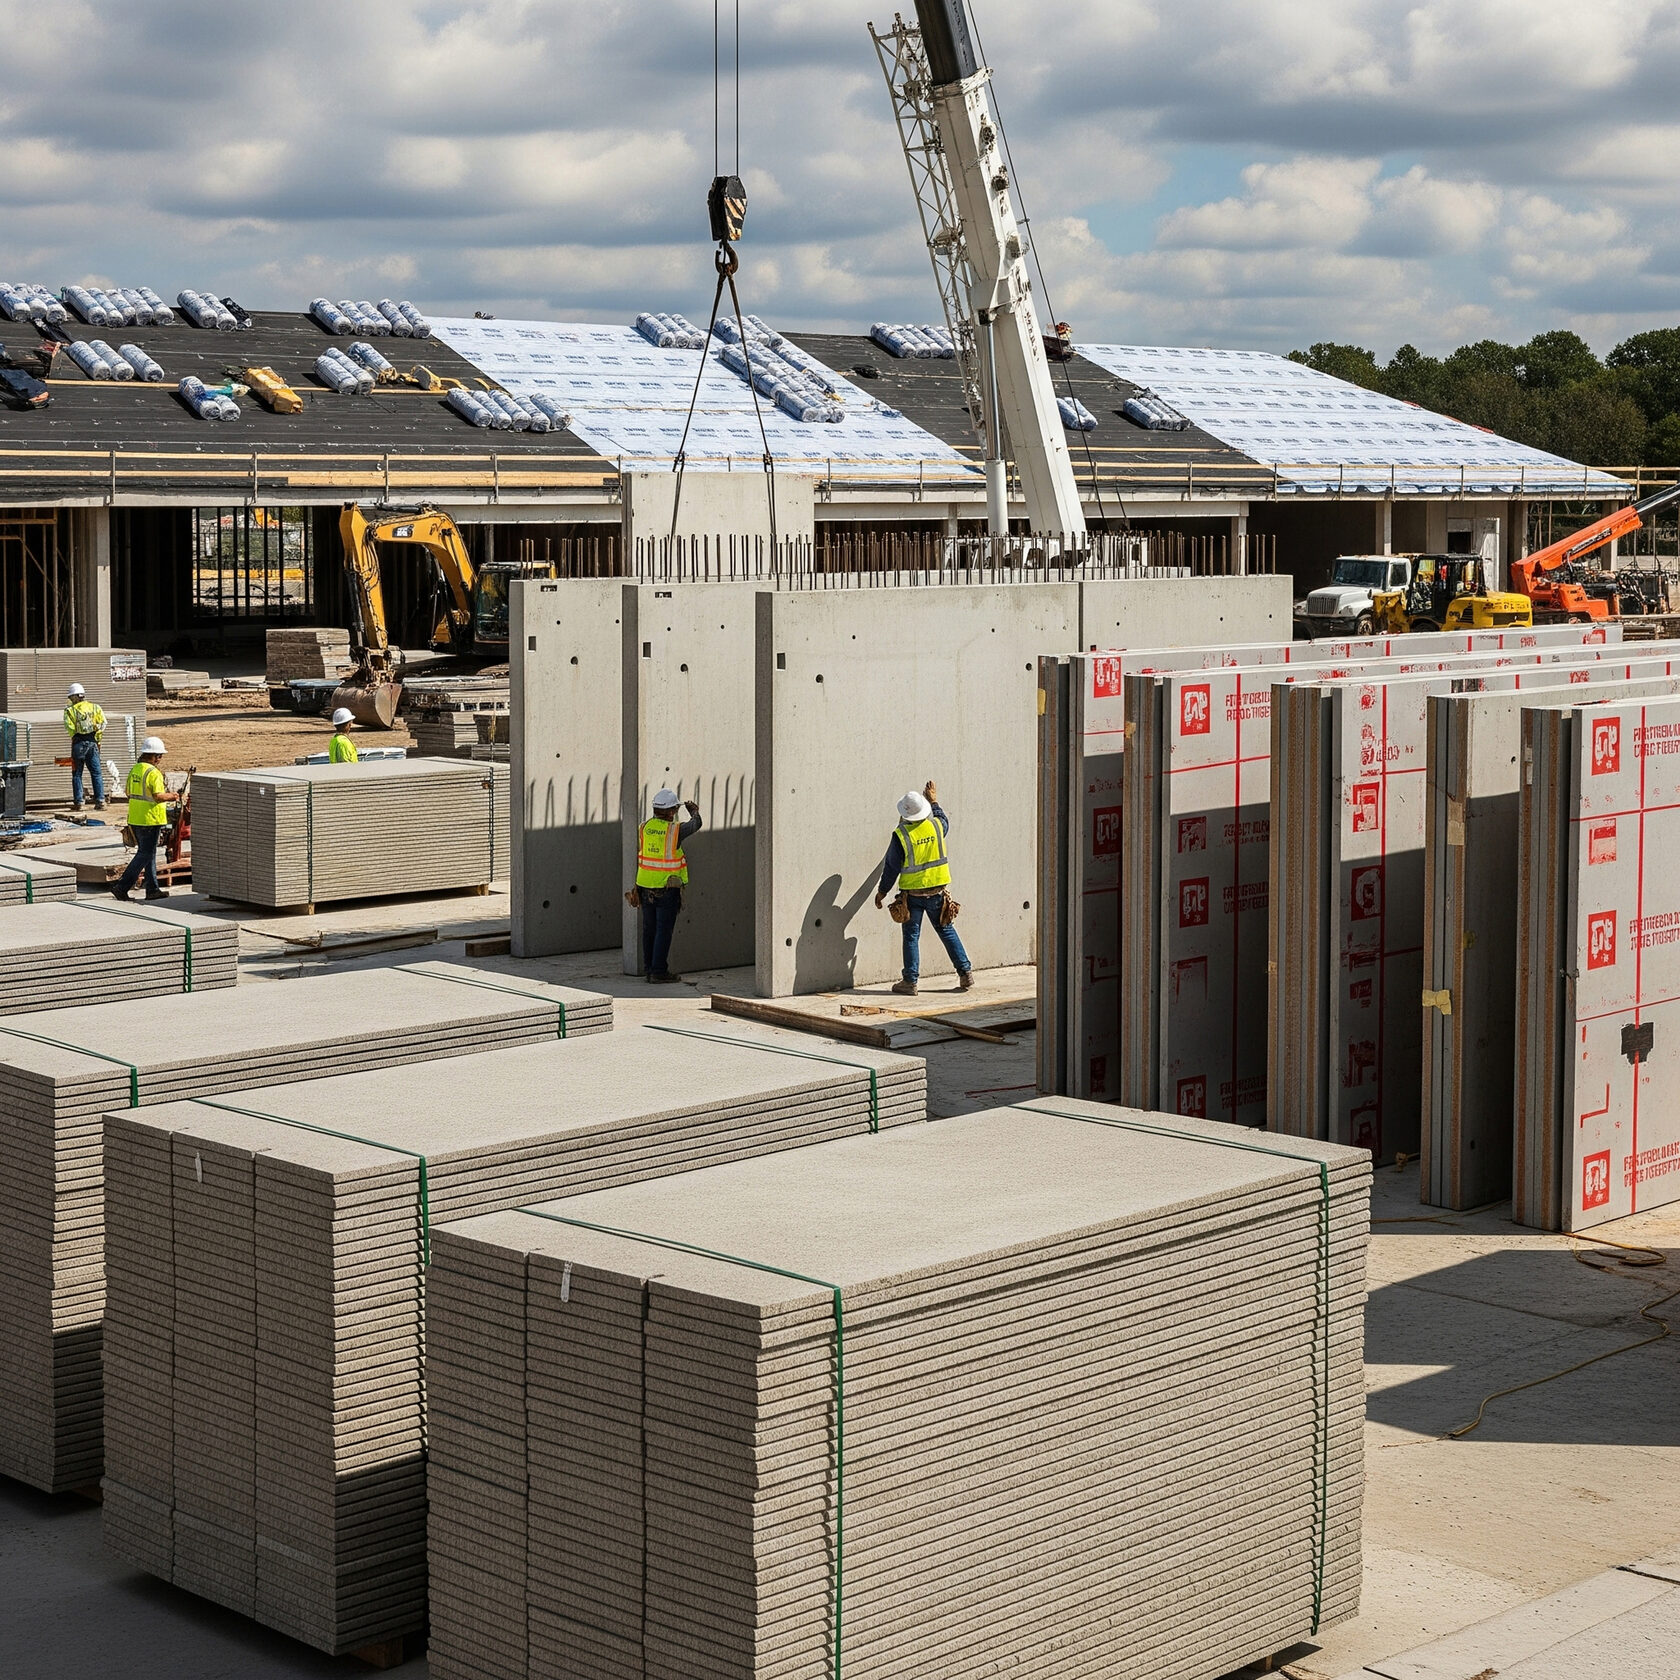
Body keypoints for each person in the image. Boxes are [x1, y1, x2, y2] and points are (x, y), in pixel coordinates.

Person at [874, 779, 973, 996]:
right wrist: (934, 801)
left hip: (913, 896)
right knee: (946, 930)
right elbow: (943, 819)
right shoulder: (937, 827)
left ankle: (910, 982)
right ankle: (965, 973)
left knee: (911, 936)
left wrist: (882, 892)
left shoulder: (901, 835)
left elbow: (891, 867)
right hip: (937, 894)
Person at [633, 787, 702, 984]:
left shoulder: (643, 827)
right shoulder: (675, 830)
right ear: (671, 811)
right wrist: (694, 811)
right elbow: (696, 824)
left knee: (649, 929)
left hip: (645, 886)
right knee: (663, 930)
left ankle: (649, 969)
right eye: (675, 810)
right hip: (666, 889)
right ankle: (659, 971)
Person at [114, 736, 180, 902]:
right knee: (144, 854)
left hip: (135, 817)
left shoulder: (135, 769)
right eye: (160, 756)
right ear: (154, 756)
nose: (160, 759)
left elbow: (128, 792)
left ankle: (152, 889)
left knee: (149, 854)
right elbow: (158, 796)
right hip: (150, 819)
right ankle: (122, 887)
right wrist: (173, 796)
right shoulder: (153, 773)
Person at [63, 683, 107, 811]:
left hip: (78, 743)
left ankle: (79, 802)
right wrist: (97, 738)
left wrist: (77, 735)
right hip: (93, 742)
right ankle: (100, 801)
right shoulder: (95, 707)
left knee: (77, 774)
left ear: (75, 697)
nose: (70, 700)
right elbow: (103, 724)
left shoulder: (70, 711)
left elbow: (69, 727)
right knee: (96, 773)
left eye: (71, 698)